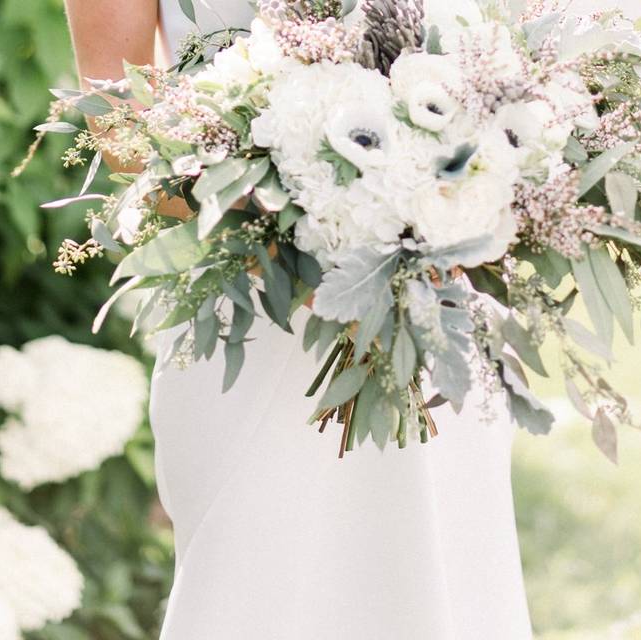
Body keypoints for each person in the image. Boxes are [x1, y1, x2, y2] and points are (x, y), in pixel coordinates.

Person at [64, 1, 533, 637]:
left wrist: (464, 204)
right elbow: (117, 120)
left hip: (437, 283)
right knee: (250, 587)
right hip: (253, 301)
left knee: (440, 574)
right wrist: (288, 242)